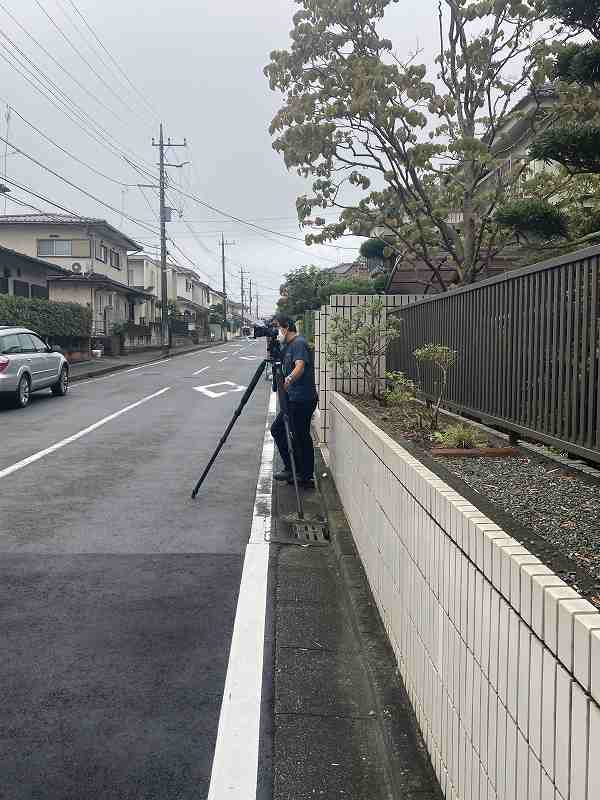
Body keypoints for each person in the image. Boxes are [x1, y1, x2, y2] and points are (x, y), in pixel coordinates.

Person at [270, 314, 318, 489]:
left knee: (299, 435)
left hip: (303, 399)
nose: (276, 331)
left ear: (286, 326)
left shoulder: (298, 344)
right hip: (295, 398)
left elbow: (300, 366)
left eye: (277, 327)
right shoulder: (288, 345)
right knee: (286, 431)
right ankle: (296, 470)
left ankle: (303, 474)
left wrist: (288, 380)